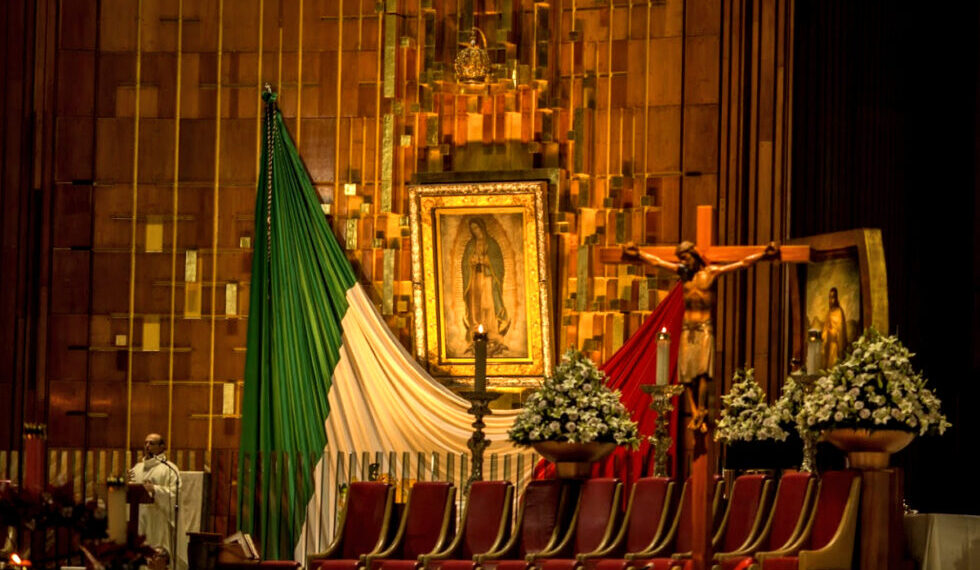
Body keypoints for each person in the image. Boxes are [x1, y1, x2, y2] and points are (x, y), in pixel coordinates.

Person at [623, 240, 780, 430]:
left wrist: (764, 253)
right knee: (686, 372)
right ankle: (695, 411)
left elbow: (742, 263)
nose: (684, 262)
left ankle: (702, 408)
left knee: (703, 370)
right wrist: (638, 253)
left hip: (704, 326)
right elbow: (657, 262)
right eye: (681, 259)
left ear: (694, 255)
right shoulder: (683, 273)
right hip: (688, 327)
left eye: (686, 258)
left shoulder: (711, 273)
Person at [129, 433, 180, 565]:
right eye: (145, 443)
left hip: (158, 518)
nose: (147, 446)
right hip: (138, 517)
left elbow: (176, 494)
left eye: (151, 443)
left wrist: (155, 489)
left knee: (155, 554)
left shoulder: (169, 469)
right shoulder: (137, 468)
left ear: (162, 446)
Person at [461, 217, 510, 353]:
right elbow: (464, 263)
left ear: (482, 227)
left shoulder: (492, 244)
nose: (475, 231)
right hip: (475, 279)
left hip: (488, 278)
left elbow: (498, 263)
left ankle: (491, 330)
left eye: (476, 228)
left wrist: (487, 261)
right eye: (472, 229)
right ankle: (477, 329)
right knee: (476, 304)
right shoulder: (470, 245)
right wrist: (471, 262)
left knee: (488, 304)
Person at [821, 287, 848, 367]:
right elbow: (825, 328)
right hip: (828, 346)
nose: (831, 300)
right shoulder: (829, 312)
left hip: (835, 346)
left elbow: (840, 331)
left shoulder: (839, 312)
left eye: (833, 297)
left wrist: (832, 332)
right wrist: (825, 333)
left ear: (836, 298)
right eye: (830, 297)